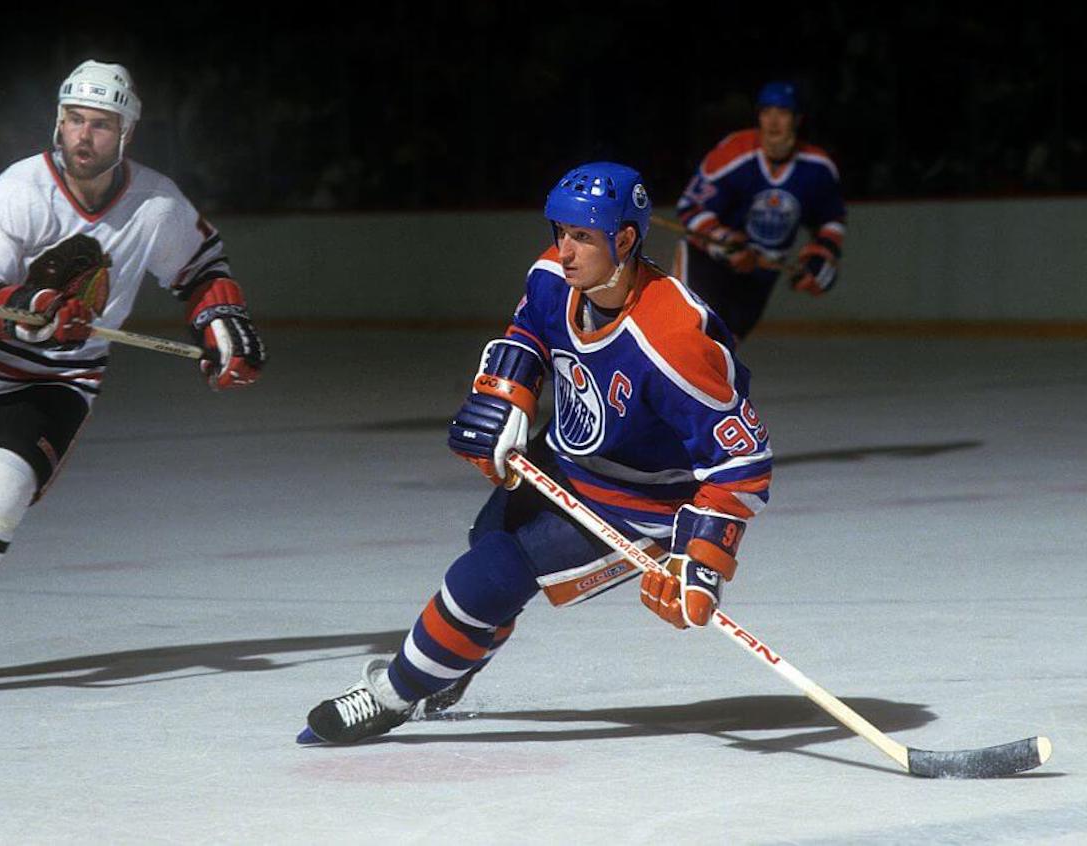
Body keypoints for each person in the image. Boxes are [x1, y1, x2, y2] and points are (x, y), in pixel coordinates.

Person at [298, 162, 771, 745]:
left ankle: (391, 696)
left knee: (487, 576)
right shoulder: (554, 277)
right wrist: (505, 397)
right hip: (562, 460)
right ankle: (455, 661)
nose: (565, 252)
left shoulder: (676, 338)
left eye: (583, 237)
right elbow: (528, 331)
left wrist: (700, 561)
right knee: (487, 545)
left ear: (625, 239)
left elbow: (742, 466)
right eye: (561, 233)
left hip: (636, 502)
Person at [0, 60, 266, 702]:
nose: (84, 136)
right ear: (59, 121)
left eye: (101, 125)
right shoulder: (18, 189)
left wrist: (223, 324)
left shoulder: (158, 204)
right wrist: (31, 315)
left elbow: (200, 269)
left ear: (126, 134)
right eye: (75, 120)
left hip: (57, 380)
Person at [673, 80, 846, 341]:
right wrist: (723, 242)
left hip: (760, 273)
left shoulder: (818, 168)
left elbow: (831, 219)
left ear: (798, 119)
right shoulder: (733, 153)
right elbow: (690, 207)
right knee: (687, 338)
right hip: (707, 263)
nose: (773, 122)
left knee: (723, 352)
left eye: (783, 113)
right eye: (767, 112)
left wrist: (822, 253)